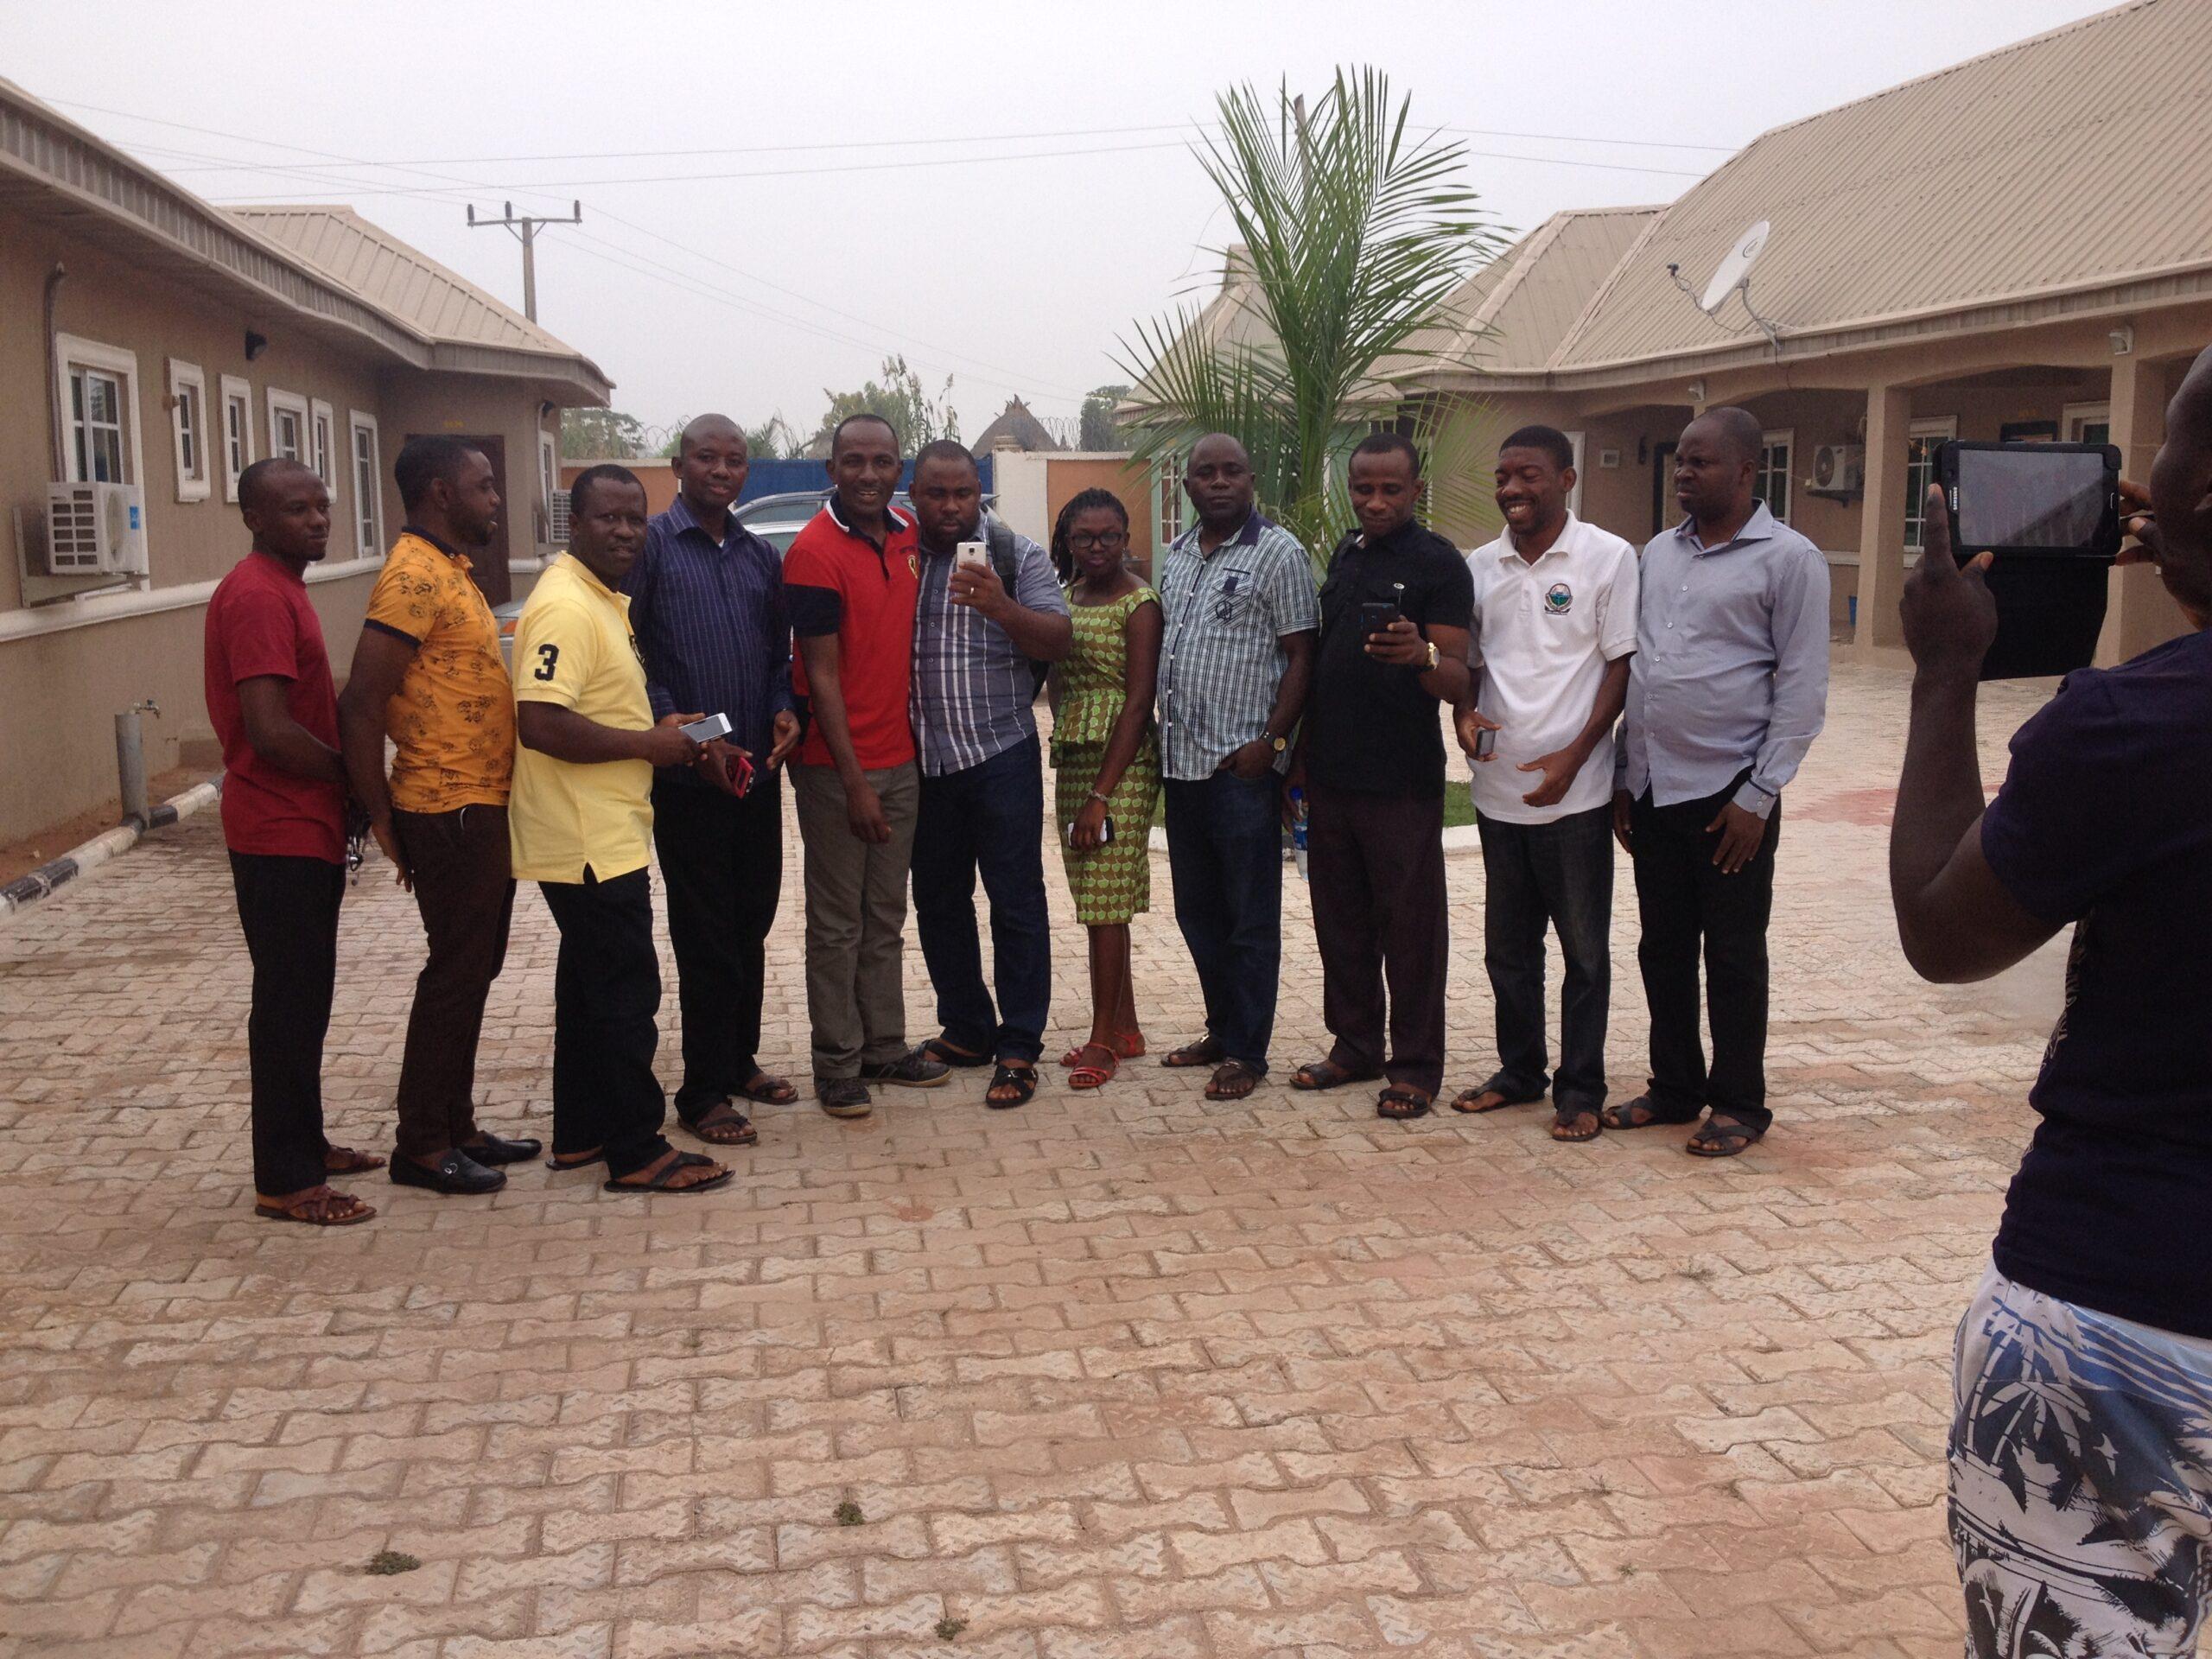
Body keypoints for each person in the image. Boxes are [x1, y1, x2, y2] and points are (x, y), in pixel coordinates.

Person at [1892, 344, 2212, 1657]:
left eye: (2175, 455)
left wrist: (1944, 670)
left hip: (2121, 1322)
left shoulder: (2133, 731)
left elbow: (1944, 932)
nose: (2147, 483)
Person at [1607, 405, 1828, 1157]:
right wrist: (1623, 778)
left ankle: (1739, 1103)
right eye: (1679, 461)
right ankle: (1675, 1088)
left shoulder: (1790, 560)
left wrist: (1758, 797)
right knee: (1661, 948)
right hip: (1654, 787)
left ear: (1746, 470)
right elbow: (1637, 670)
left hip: (1729, 794)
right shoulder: (1657, 554)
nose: (1683, 473)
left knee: (1732, 953)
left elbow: (1801, 691)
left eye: (1700, 462)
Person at [509, 465, 732, 1197]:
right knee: (625, 994)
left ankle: (581, 1134)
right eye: (608, 518)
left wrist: (671, 731)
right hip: (584, 836)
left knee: (585, 989)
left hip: (603, 828)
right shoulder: (567, 606)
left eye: (636, 519)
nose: (626, 532)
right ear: (575, 521)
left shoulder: (603, 600)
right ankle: (637, 1150)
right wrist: (648, 746)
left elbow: (595, 703)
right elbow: (539, 721)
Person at [335, 436, 541, 1197]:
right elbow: (361, 698)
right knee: (455, 970)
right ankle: (421, 1144)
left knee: (475, 964)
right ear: (440, 493)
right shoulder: (414, 577)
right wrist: (377, 813)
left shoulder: (447, 570)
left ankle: (457, 1124)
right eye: (484, 486)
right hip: (445, 802)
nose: (496, 499)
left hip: (480, 800)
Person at [204, 458, 378, 1225]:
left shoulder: (285, 588)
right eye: (296, 509)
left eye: (321, 504)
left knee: (306, 1000)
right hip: (277, 827)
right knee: (286, 1005)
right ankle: (285, 1177)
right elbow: (271, 731)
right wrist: (354, 780)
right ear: (254, 518)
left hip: (302, 825)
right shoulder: (255, 596)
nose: (316, 519)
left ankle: (305, 1141)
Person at [1452, 426, 1638, 1141]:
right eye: (1503, 476)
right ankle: (1520, 1072)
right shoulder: (1480, 565)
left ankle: (1581, 1089)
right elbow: (1469, 661)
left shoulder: (1608, 558)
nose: (1510, 489)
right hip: (1498, 792)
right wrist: (1463, 715)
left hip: (1577, 797)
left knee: (1584, 952)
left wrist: (1575, 757)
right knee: (1509, 950)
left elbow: (1620, 666)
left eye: (1527, 475)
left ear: (1566, 479)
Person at [627, 415, 804, 1151]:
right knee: (705, 936)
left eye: (734, 460)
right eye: (707, 458)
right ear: (678, 465)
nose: (721, 471)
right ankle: (700, 1093)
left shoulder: (761, 557)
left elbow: (774, 654)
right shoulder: (650, 552)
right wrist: (695, 738)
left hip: (755, 773)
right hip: (691, 777)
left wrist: (786, 709)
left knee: (751, 922)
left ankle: (740, 1060)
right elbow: (639, 661)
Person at [1287, 433, 1472, 1120]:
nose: (1375, 501)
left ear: (1415, 491)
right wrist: (1299, 762)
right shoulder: (1345, 553)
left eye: (1391, 489)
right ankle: (1355, 1045)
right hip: (1332, 775)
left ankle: (1417, 1066)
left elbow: (1459, 680)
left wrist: (1419, 653)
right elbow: (1326, 666)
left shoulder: (1440, 564)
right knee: (1341, 924)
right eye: (1364, 488)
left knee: (1411, 931)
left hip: (1401, 782)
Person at [783, 415, 949, 1116]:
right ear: (832, 469)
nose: (869, 474)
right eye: (854, 461)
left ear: (898, 468)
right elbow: (820, 678)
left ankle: (884, 1047)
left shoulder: (911, 535)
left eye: (882, 461)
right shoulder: (813, 553)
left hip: (901, 760)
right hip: (835, 769)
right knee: (836, 923)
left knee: (884, 915)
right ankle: (837, 1064)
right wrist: (853, 783)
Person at [906, 440, 1072, 1109]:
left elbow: (1058, 640)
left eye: (963, 494)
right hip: (925, 760)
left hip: (1001, 754)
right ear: (914, 496)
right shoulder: (901, 558)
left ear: (981, 494)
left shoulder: (1017, 555)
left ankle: (1019, 1045)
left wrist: (1001, 606)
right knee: (939, 902)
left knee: (1016, 902)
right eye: (936, 494)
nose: (950, 507)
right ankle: (968, 1028)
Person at [1153, 433, 1319, 1102]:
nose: (1218, 482)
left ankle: (1248, 1052)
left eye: (1231, 472)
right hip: (1183, 764)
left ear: (1252, 480)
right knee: (1198, 913)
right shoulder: (1179, 556)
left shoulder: (1279, 554)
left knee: (1250, 916)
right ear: (1188, 486)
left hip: (1242, 766)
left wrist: (1274, 744)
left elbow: (1302, 655)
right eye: (1205, 473)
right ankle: (1221, 1030)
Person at [1050, 488, 1163, 1090]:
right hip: (1074, 755)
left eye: (1109, 537)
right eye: (1084, 538)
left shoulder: (1139, 603)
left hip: (1121, 763)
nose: (1097, 548)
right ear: (1067, 541)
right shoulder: (1065, 598)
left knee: (1104, 899)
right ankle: (1126, 1027)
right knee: (1091, 890)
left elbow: (1140, 699)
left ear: (1125, 538)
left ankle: (1101, 1040)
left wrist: (1101, 795)